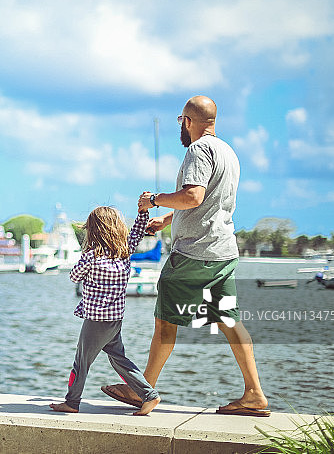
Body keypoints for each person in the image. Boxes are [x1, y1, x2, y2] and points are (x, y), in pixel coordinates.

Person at [101, 95, 270, 417]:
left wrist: (156, 200)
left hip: (193, 254)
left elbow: (193, 196)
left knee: (165, 324)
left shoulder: (198, 149)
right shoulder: (228, 152)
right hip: (222, 253)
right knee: (229, 322)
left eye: (181, 121)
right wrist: (167, 220)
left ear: (188, 122)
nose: (181, 127)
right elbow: (212, 203)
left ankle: (141, 390)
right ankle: (254, 394)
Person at [49, 205, 161, 416]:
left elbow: (74, 276)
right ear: (117, 229)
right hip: (115, 320)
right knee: (119, 359)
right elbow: (137, 231)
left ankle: (72, 402)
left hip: (95, 320)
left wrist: (85, 260)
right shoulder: (125, 251)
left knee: (81, 362)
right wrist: (143, 211)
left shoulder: (91, 256)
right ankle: (149, 395)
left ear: (93, 231)